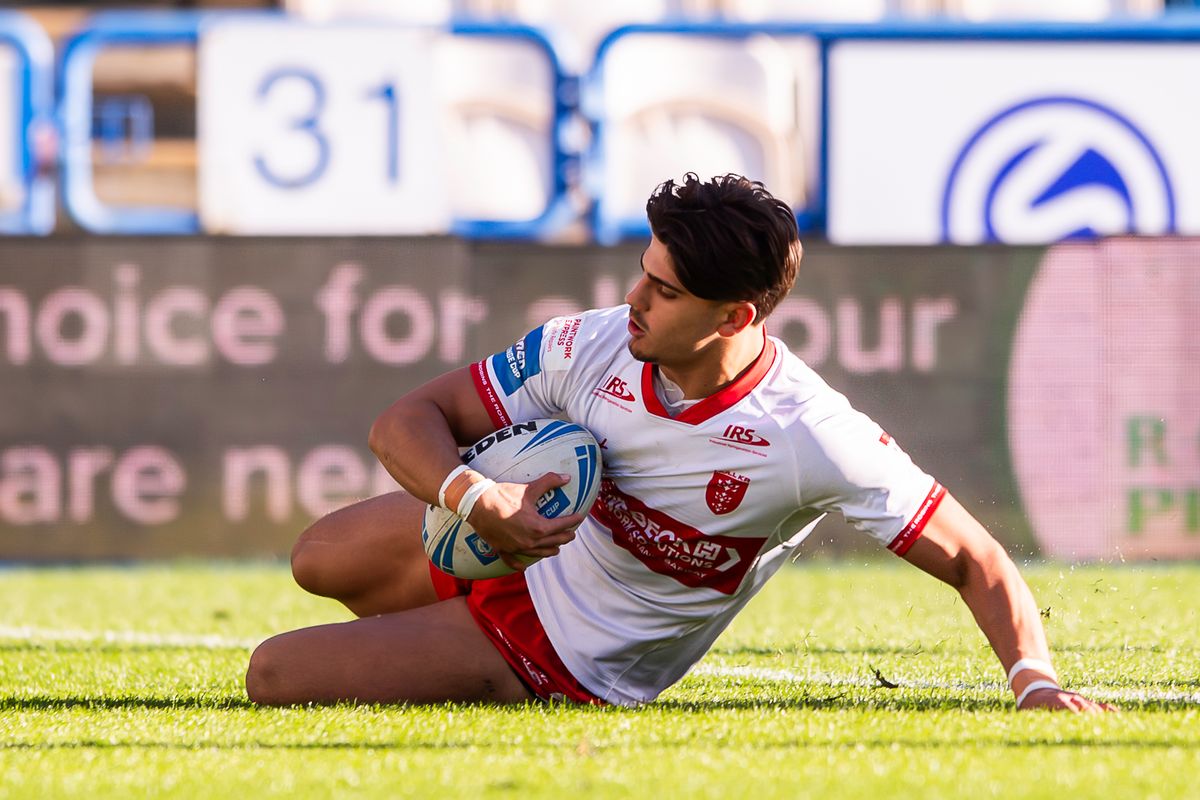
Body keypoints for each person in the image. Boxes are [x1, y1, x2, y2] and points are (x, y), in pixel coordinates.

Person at [245, 173, 1113, 712]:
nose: (636, 300)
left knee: (272, 676)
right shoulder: (593, 343)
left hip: (567, 652)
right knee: (314, 557)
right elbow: (402, 423)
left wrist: (1033, 680)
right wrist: (479, 499)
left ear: (734, 316)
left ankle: (451, 652)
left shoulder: (809, 435)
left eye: (663, 291)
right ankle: (433, 632)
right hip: (522, 547)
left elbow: (977, 560)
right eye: (643, 272)